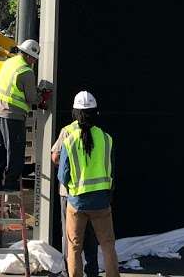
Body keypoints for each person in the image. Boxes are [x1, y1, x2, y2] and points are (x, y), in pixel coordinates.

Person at [58, 91, 119, 277]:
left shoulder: (69, 140)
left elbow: (63, 176)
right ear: (95, 113)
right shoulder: (106, 138)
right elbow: (112, 170)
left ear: (75, 113)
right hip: (101, 201)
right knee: (107, 245)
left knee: (74, 247)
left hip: (76, 202)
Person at [0, 39, 41, 192]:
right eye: (34, 59)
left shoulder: (9, 62)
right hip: (12, 114)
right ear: (30, 57)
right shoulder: (27, 71)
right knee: (15, 150)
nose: (34, 62)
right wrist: (41, 97)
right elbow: (31, 98)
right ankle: (10, 183)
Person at [52, 111, 99, 277]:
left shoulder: (67, 130)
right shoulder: (99, 133)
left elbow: (55, 157)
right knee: (90, 234)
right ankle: (92, 271)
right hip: (93, 192)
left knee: (71, 237)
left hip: (69, 193)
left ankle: (69, 271)